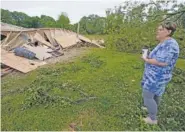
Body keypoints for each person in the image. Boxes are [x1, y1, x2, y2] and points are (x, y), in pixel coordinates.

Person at [141, 21, 180, 124]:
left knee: (147, 95)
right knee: (156, 94)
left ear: (168, 31)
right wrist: (149, 56)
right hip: (156, 75)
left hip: (157, 76)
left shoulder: (170, 44)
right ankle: (151, 108)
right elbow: (158, 58)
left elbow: (162, 62)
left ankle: (152, 118)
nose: (157, 31)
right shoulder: (164, 43)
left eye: (160, 29)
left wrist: (146, 59)